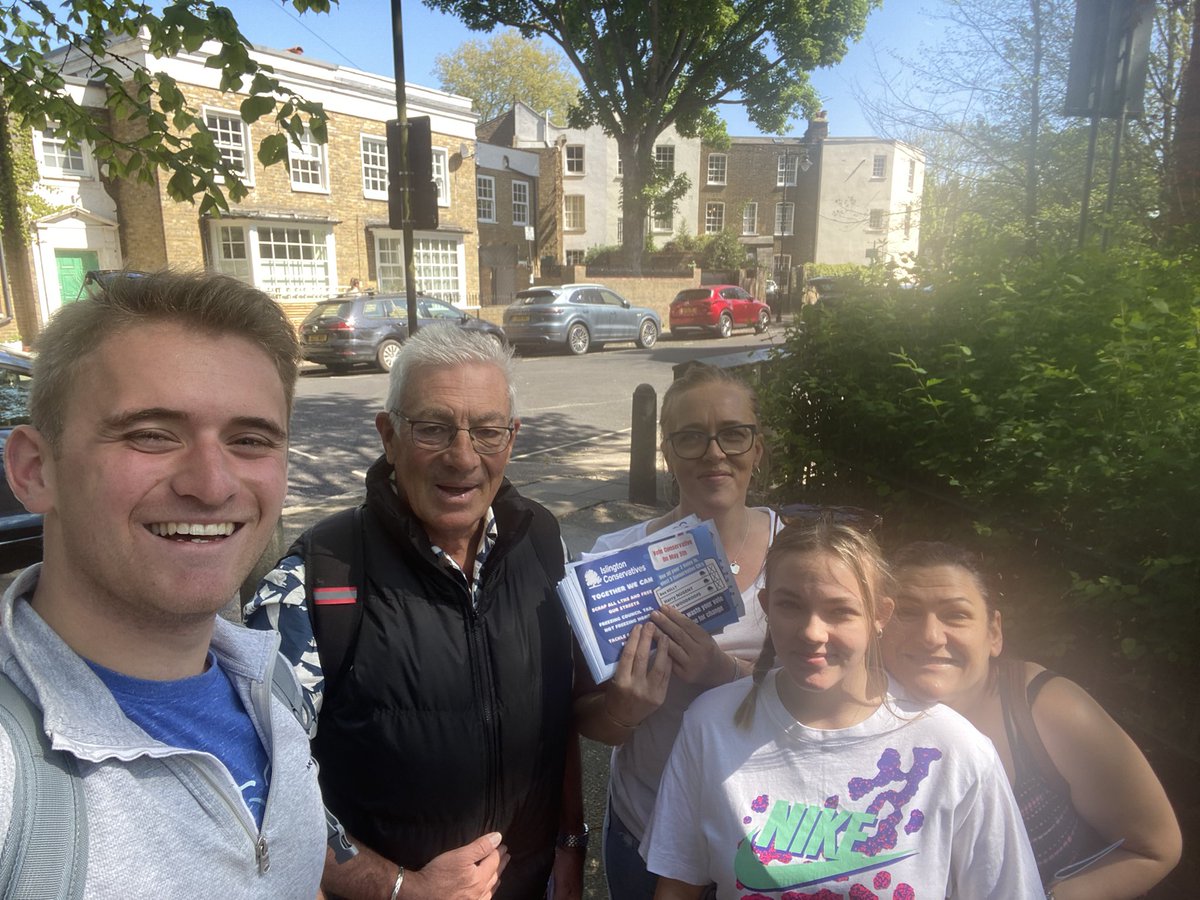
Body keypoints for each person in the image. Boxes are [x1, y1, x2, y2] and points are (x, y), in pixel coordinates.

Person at [0, 271, 328, 896]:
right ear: (36, 470)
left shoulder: (267, 684)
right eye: (151, 434)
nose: (211, 484)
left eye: (250, 439)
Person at [246, 324, 583, 900]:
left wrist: (571, 844)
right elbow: (260, 788)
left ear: (513, 437)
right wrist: (403, 887)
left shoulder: (541, 542)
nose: (462, 456)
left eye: (487, 431)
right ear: (388, 435)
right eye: (432, 428)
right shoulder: (318, 577)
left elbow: (559, 720)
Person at [643, 521, 1044, 899]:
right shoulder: (711, 724)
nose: (812, 632)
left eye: (841, 611)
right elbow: (678, 885)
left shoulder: (955, 751)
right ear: (766, 606)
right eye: (791, 605)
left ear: (879, 616)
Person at [575, 363, 778, 899]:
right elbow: (583, 718)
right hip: (647, 834)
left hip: (768, 843)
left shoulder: (801, 558)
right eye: (691, 438)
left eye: (733, 434)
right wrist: (624, 710)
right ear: (667, 453)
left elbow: (842, 697)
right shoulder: (612, 563)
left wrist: (726, 673)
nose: (715, 453)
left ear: (757, 448)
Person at [881, 541, 1182, 898]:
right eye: (908, 612)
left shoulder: (1046, 709)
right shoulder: (849, 713)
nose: (930, 636)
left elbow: (1154, 848)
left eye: (956, 615)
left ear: (993, 633)